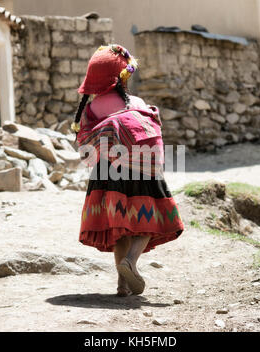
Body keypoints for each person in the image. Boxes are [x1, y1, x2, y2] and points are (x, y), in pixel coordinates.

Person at [71, 44, 184, 297]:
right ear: (125, 76)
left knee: (119, 227)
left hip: (106, 176)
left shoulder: (91, 109)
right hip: (141, 170)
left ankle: (122, 286)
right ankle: (131, 261)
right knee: (148, 220)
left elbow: (87, 148)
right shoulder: (138, 103)